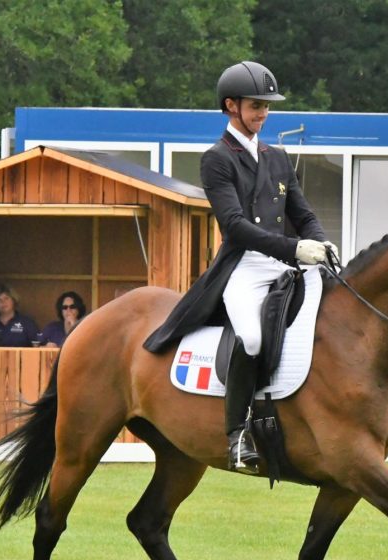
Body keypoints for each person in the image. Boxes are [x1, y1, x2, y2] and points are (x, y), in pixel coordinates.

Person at [143, 61, 337, 475]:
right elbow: (235, 226)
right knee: (250, 338)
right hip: (245, 268)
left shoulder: (279, 157)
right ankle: (236, 435)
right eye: (255, 106)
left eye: (267, 107)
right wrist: (294, 248)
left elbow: (302, 212)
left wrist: (320, 241)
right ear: (231, 106)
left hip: (286, 266)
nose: (263, 114)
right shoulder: (217, 159)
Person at [0, 283, 39, 347]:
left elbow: (37, 347)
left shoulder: (27, 323)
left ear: (13, 300)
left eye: (6, 298)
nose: (3, 302)